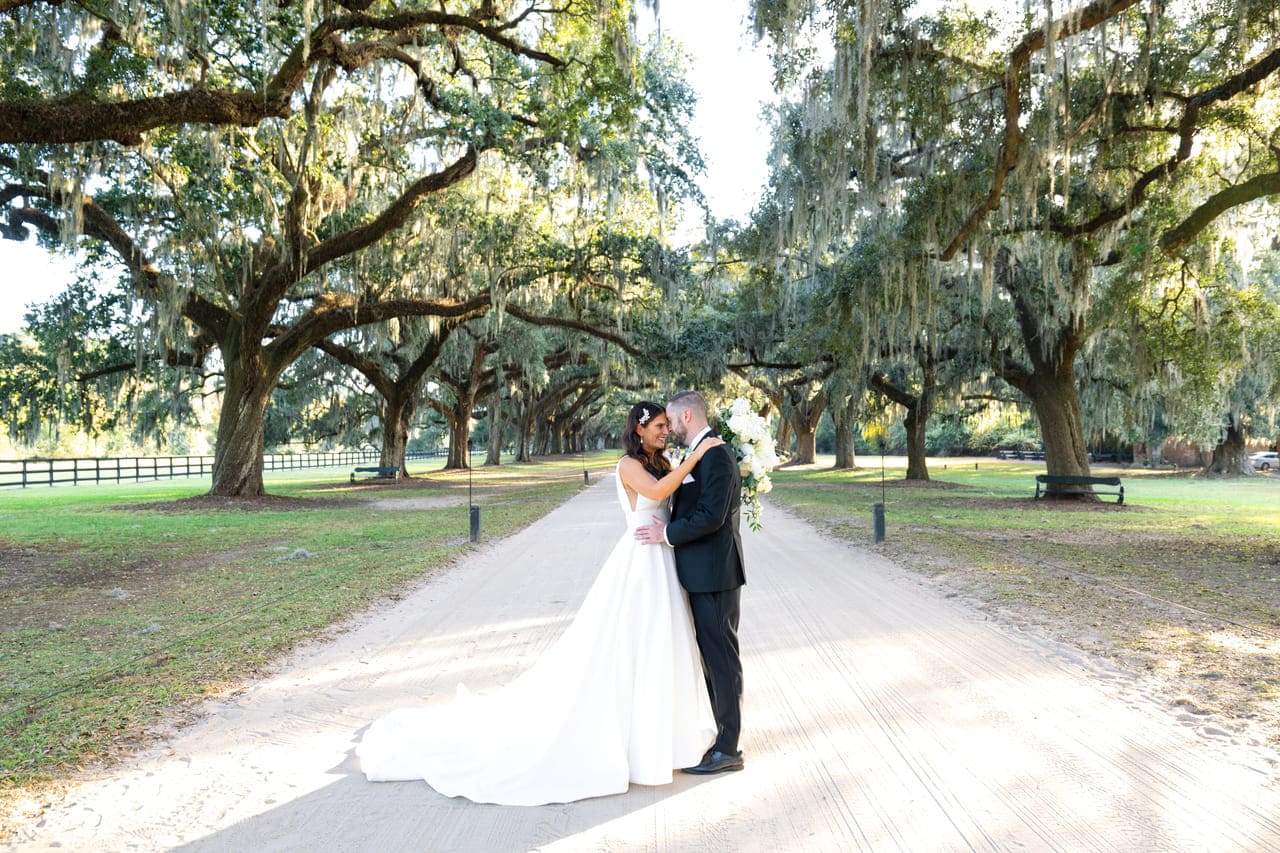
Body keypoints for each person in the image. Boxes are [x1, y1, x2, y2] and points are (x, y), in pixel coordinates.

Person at [356, 402, 724, 805]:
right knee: (630, 645)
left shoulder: (663, 459)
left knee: (661, 645)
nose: (664, 431)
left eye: (664, 426)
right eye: (656, 426)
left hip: (661, 559)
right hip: (639, 560)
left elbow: (673, 493)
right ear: (638, 430)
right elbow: (656, 492)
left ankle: (663, 738)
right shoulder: (627, 465)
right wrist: (696, 457)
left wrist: (688, 468)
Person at [635, 390, 745, 775]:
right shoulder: (702, 453)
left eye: (670, 421)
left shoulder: (716, 455)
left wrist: (667, 533)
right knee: (712, 657)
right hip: (702, 573)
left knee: (722, 658)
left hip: (715, 573)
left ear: (685, 417)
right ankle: (723, 738)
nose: (669, 429)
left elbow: (711, 516)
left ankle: (729, 747)